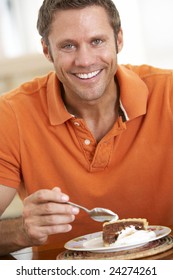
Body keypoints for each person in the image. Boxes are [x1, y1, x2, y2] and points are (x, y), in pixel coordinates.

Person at [0, 0, 173, 257]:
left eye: (97, 41)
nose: (84, 60)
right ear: (47, 51)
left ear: (119, 40)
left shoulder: (168, 93)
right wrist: (20, 231)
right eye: (68, 46)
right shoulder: (12, 114)